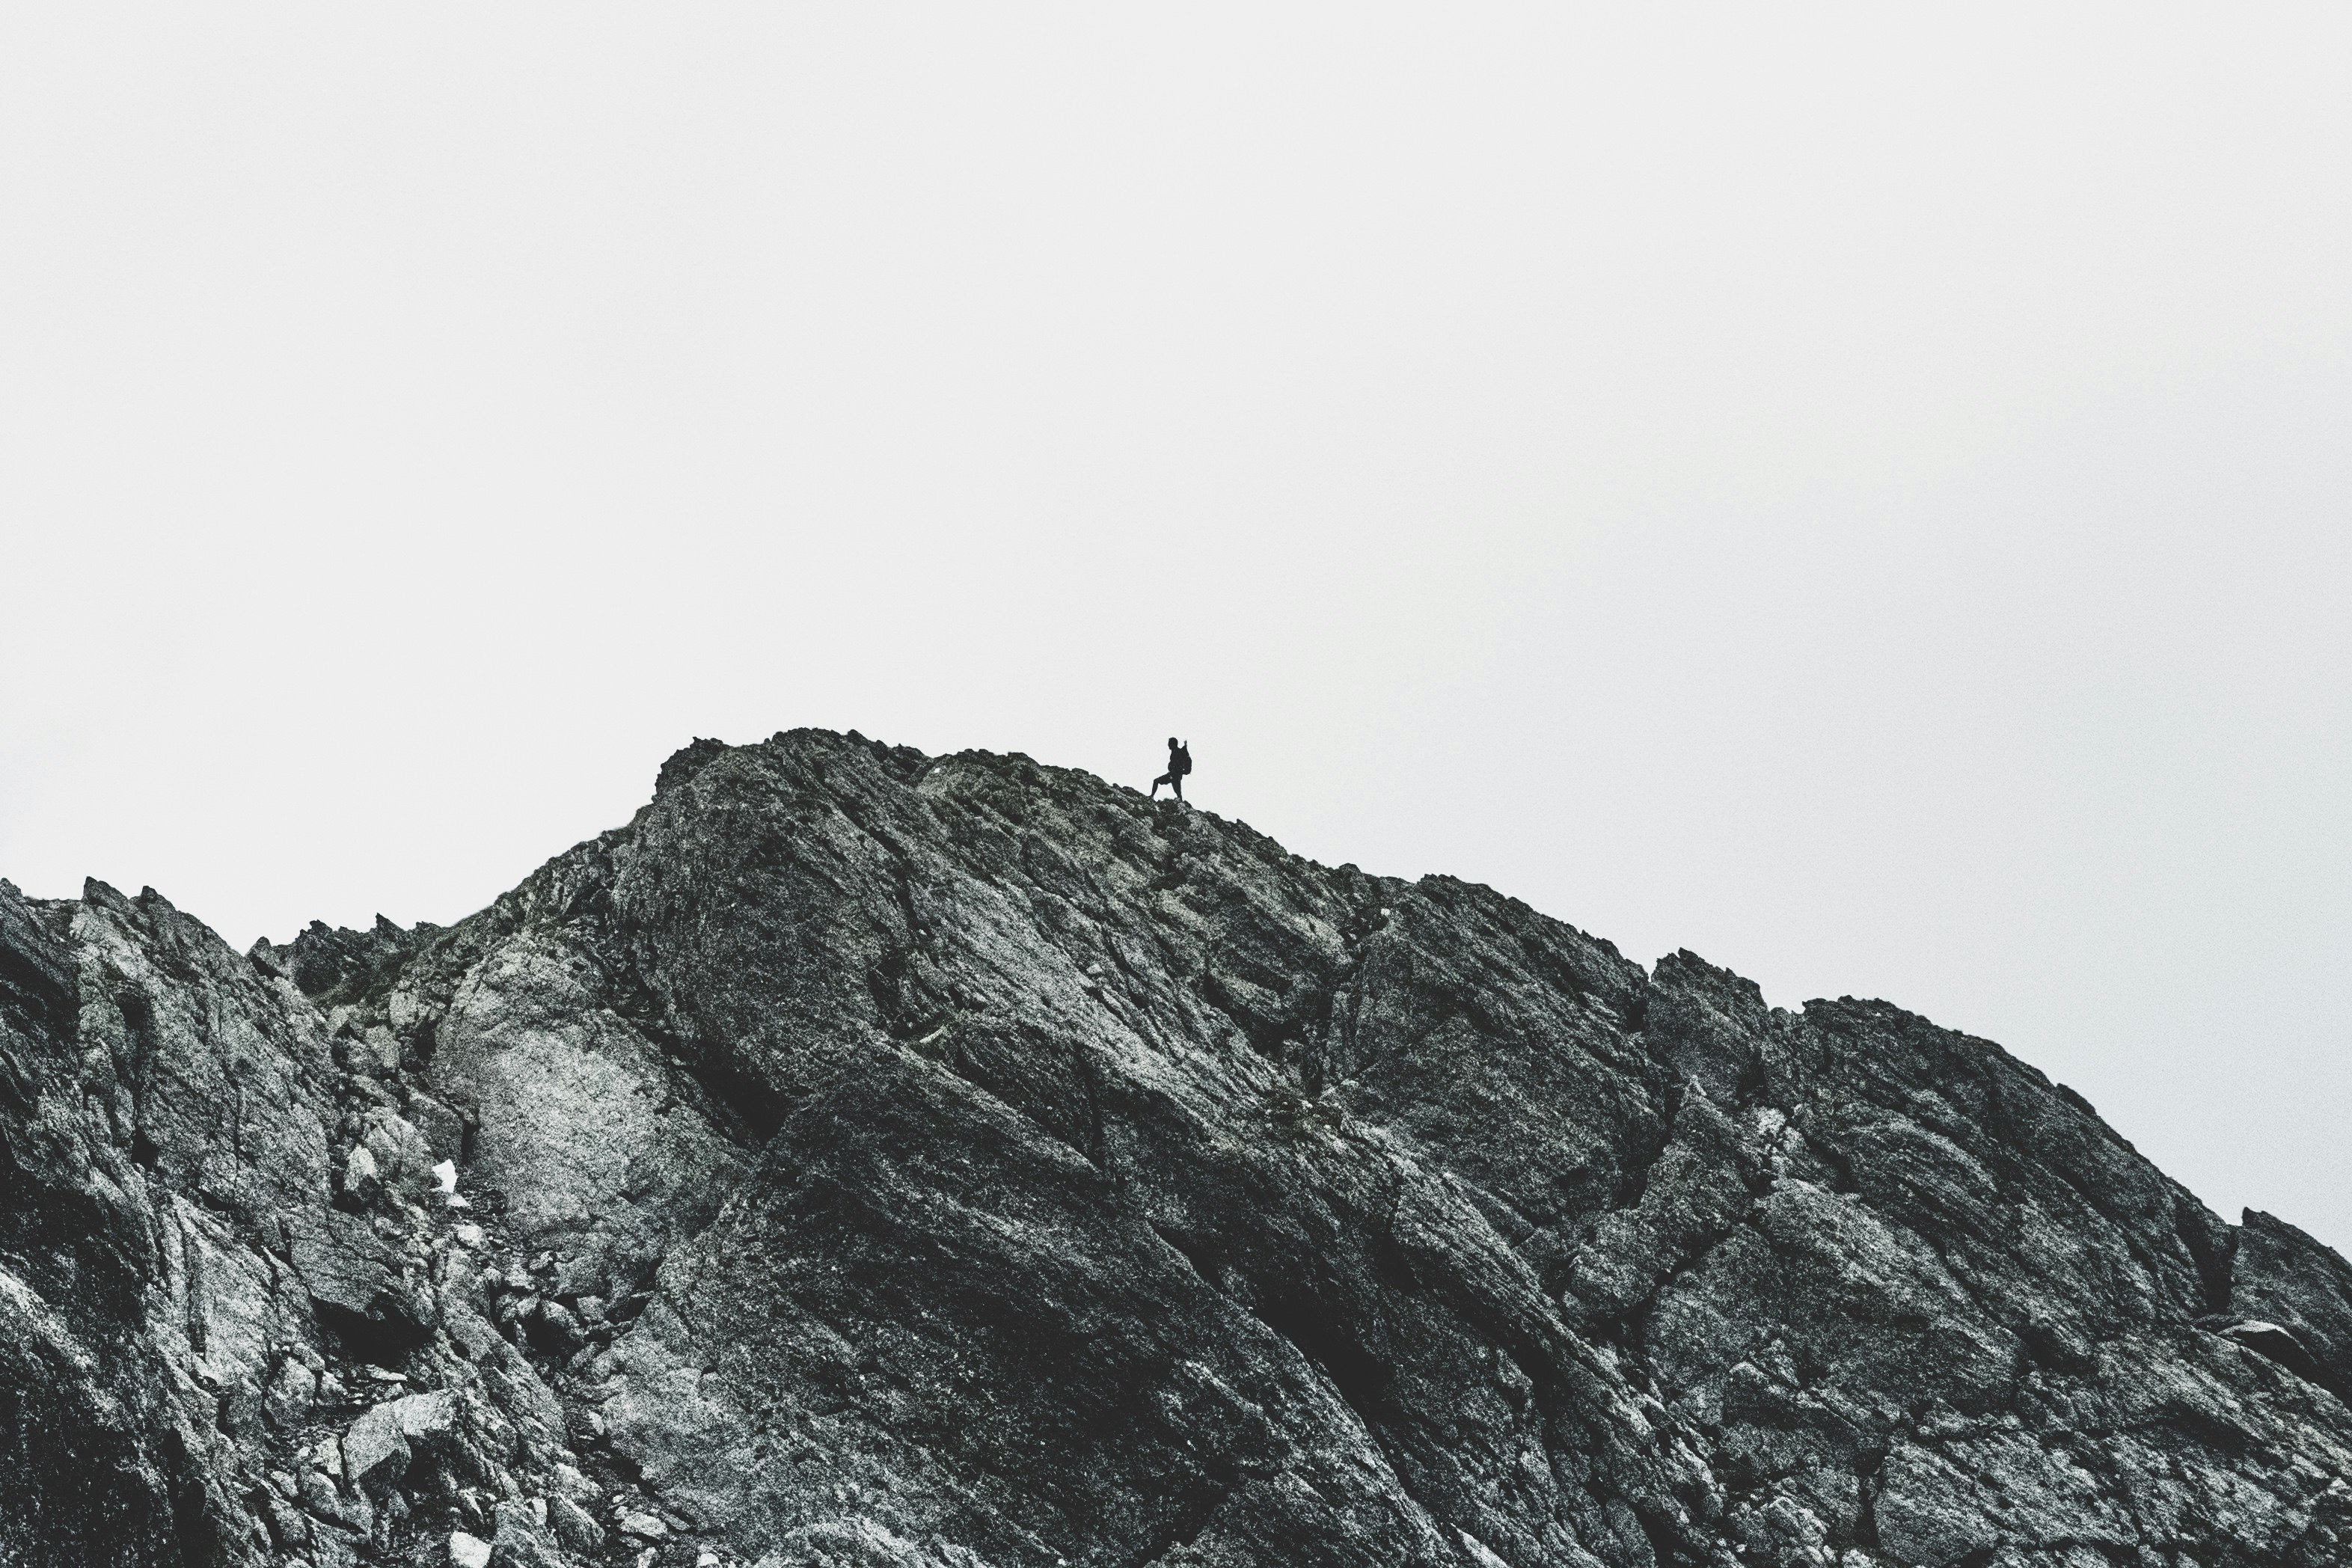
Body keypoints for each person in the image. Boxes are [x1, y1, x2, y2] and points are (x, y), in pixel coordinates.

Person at [1150, 737, 1192, 801]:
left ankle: (1180, 802)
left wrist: (1182, 772)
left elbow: (1187, 761)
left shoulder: (1178, 752)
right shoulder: (1174, 752)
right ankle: (1151, 796)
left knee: (1178, 792)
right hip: (1172, 774)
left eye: (1169, 743)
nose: (1168, 745)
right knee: (1156, 781)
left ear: (1173, 744)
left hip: (1175, 775)